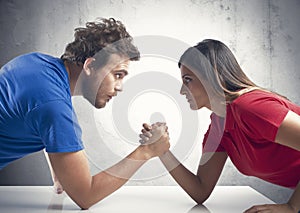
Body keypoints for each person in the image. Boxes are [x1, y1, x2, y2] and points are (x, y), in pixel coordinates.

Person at [0, 17, 170, 209]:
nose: (120, 87)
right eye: (117, 75)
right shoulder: (54, 106)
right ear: (89, 66)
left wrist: (61, 174)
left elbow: (39, 116)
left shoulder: (35, 62)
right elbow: (86, 196)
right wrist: (146, 151)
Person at [140, 39, 300, 213]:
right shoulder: (218, 127)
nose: (182, 90)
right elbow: (200, 190)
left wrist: (292, 207)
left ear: (212, 76)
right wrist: (162, 150)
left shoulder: (251, 107)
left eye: (188, 80)